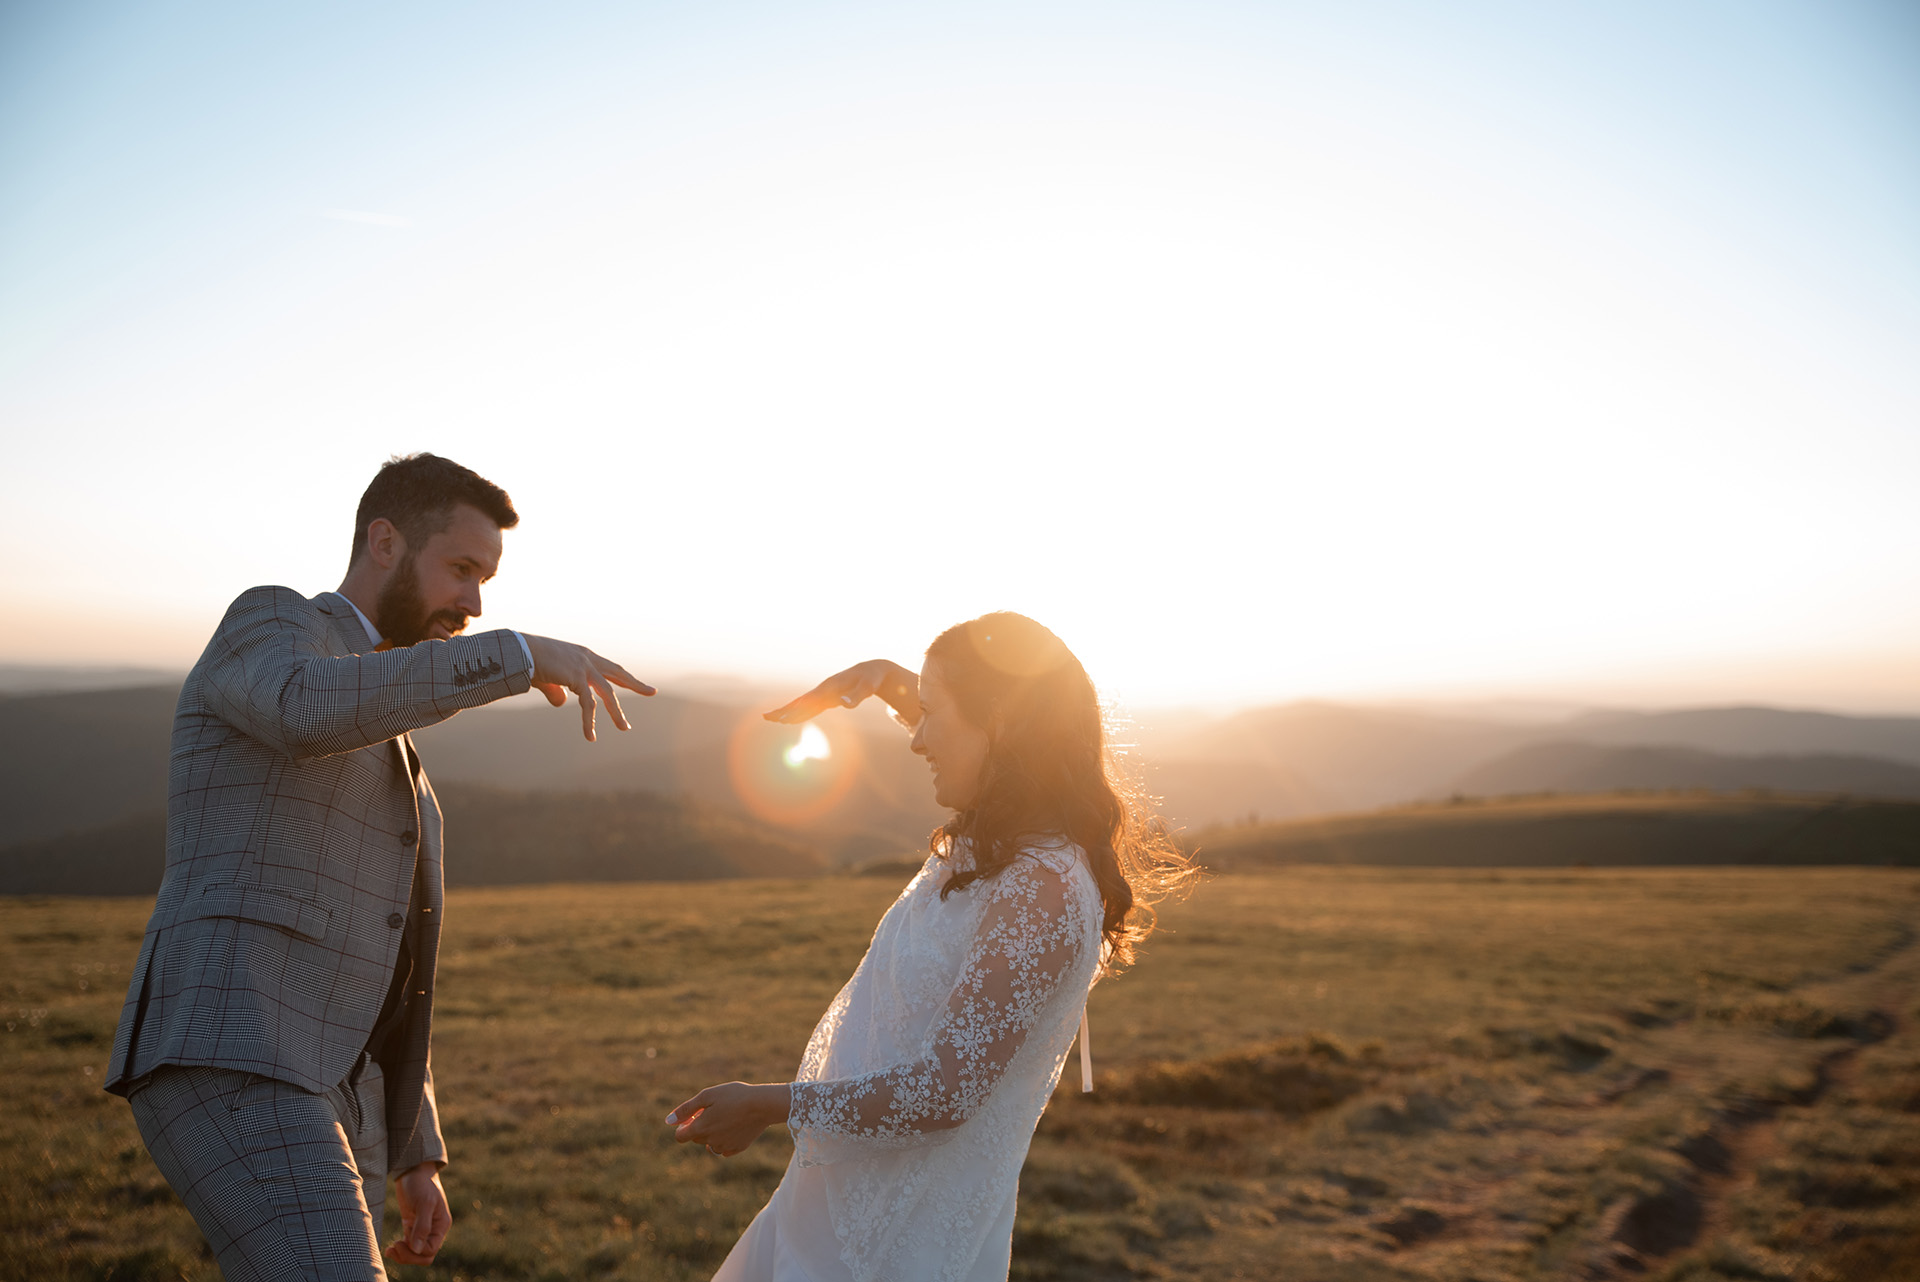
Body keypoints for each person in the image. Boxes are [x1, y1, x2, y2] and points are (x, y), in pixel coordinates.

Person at [104, 453, 652, 1280]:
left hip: (331, 1094)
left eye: (486, 583)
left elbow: (388, 957)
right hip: (231, 1048)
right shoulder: (272, 624)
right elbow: (302, 706)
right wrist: (516, 653)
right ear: (384, 540)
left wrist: (416, 1152)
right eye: (462, 570)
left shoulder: (390, 721)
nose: (474, 603)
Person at [666, 612, 1195, 1282]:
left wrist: (772, 1104)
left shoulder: (1041, 888)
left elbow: (945, 1092)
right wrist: (886, 680)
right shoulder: (1004, 844)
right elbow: (971, 725)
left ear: (1001, 723)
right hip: (841, 1209)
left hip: (894, 1243)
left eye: (930, 713)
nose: (916, 739)